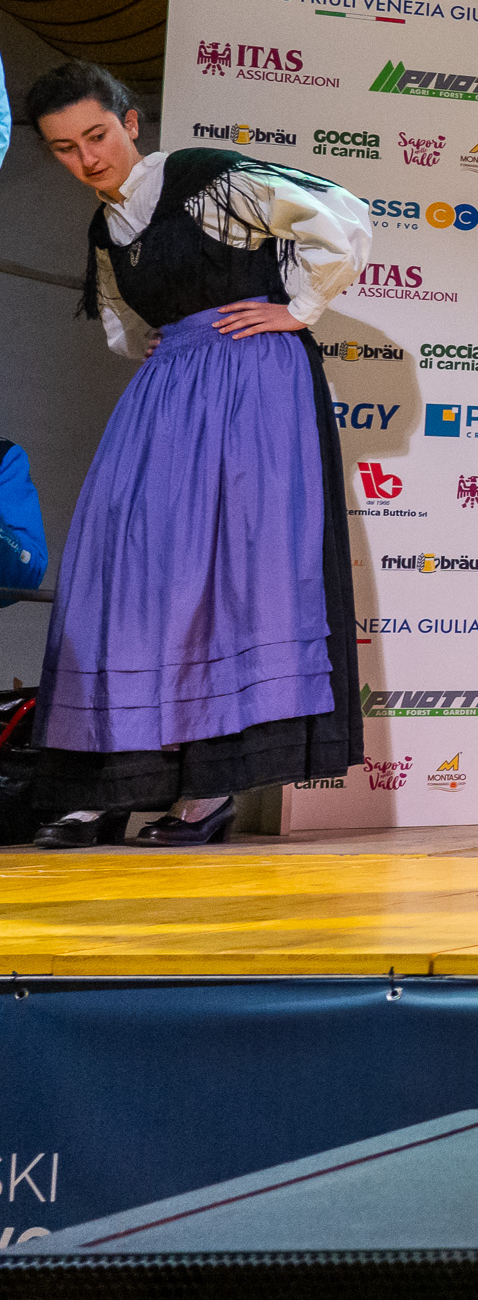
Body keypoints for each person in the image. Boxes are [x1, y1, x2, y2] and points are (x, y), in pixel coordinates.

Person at [17, 60, 372, 846]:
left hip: (251, 382)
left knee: (226, 578)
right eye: (65, 147)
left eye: (97, 135)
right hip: (171, 390)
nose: (88, 157)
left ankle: (206, 795)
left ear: (130, 122)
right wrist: (165, 341)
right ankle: (115, 784)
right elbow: (122, 324)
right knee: (128, 575)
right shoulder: (105, 227)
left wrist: (299, 308)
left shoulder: (204, 176)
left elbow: (339, 213)